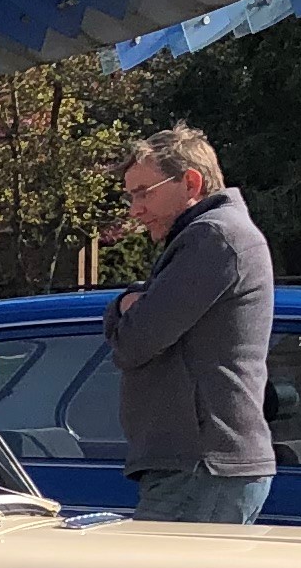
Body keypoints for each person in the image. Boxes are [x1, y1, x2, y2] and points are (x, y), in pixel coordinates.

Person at [105, 125, 274, 523]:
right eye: (131, 196)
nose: (135, 210)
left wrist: (126, 306)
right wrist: (127, 303)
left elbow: (134, 342)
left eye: (144, 192)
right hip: (202, 466)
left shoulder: (212, 237)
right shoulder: (218, 235)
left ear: (191, 182)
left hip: (200, 468)